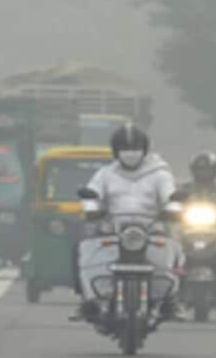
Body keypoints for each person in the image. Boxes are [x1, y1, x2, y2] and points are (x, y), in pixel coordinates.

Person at [76, 123, 179, 320]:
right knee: (83, 249)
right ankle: (90, 299)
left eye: (135, 149)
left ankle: (169, 299)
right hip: (113, 227)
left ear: (144, 150)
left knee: (174, 249)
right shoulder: (105, 174)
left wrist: (173, 208)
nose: (130, 154)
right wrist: (91, 207)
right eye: (125, 149)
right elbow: (93, 193)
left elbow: (169, 195)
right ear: (116, 151)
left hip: (151, 227)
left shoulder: (159, 173)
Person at [179, 150, 216, 304]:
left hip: (215, 230)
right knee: (174, 252)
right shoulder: (186, 188)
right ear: (193, 171)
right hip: (189, 229)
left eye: (207, 170)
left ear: (214, 171)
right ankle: (175, 289)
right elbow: (173, 201)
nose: (203, 173)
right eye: (200, 170)